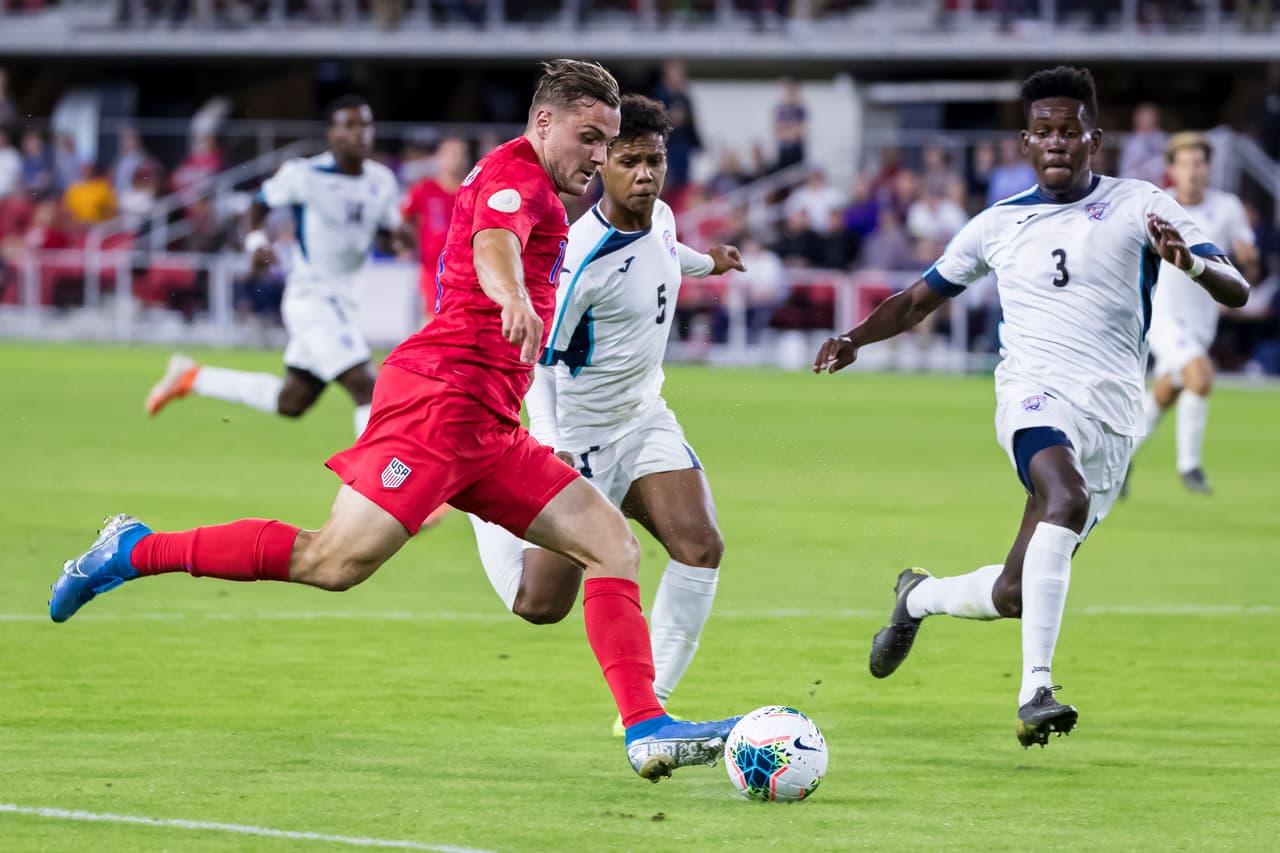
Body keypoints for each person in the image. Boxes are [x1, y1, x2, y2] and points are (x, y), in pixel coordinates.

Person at [49, 59, 740, 783]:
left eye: (608, 141)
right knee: (332, 561)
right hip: (438, 405)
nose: (598, 157)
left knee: (611, 545)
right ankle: (132, 549)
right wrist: (511, 297)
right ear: (544, 124)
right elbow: (494, 243)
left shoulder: (538, 180)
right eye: (588, 137)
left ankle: (646, 727)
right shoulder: (519, 181)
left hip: (491, 420)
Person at [813, 67, 1248, 748]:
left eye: (1068, 130)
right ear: (1023, 141)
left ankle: (916, 596)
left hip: (1111, 416)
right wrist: (854, 337)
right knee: (1063, 498)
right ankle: (1035, 690)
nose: (1055, 142)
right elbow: (920, 297)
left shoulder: (1140, 204)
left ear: (1093, 138)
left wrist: (1188, 263)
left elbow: (1237, 287)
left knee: (1016, 591)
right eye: (1042, 131)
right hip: (1032, 396)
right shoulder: (997, 224)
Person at [465, 94, 745, 736]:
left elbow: (671, 252)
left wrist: (712, 263)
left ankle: (650, 709)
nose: (646, 175)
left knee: (701, 546)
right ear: (602, 166)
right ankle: (479, 504)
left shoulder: (666, 218)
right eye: (631, 162)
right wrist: (554, 441)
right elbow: (538, 357)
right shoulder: (579, 258)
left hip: (645, 417)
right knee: (540, 605)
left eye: (656, 161)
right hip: (580, 436)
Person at [143, 96, 411, 439]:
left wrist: (399, 241)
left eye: (366, 125)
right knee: (367, 388)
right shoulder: (306, 174)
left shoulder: (382, 181)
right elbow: (257, 207)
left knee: (292, 401)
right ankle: (374, 489)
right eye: (350, 125)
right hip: (312, 300)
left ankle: (193, 377)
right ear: (332, 134)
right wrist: (257, 243)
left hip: (346, 304)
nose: (360, 133)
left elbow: (385, 237)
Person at [1132, 132, 1258, 494]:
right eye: (1184, 163)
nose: (1192, 171)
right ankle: (1190, 467)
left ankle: (1121, 459)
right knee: (1200, 375)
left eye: (1198, 163)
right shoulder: (1157, 206)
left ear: (1208, 167)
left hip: (1203, 320)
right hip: (1161, 316)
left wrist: (1248, 259)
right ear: (1172, 169)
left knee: (1166, 392)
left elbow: (1245, 252)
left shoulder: (1227, 206)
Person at [401, 136, 469, 320]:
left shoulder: (472, 192)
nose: (456, 159)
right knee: (434, 317)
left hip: (466, 268)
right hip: (432, 268)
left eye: (460, 155)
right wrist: (404, 245)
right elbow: (402, 217)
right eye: (451, 154)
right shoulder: (424, 189)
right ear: (439, 158)